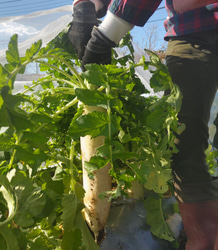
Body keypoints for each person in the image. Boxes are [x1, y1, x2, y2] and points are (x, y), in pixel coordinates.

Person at [68, 0, 218, 249]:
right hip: (190, 29)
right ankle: (202, 237)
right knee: (181, 136)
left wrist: (108, 33)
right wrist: (90, 6)